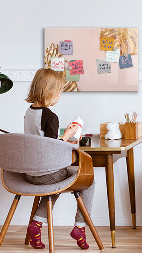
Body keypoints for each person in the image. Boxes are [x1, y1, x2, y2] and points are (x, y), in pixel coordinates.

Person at [24, 68, 94, 250]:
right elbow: (51, 148)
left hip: (30, 173)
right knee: (89, 181)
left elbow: (41, 141)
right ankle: (80, 227)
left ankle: (36, 225)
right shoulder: (50, 116)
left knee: (55, 184)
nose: (59, 96)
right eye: (59, 92)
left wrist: (63, 136)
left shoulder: (29, 112)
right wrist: (68, 136)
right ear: (50, 92)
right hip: (46, 173)